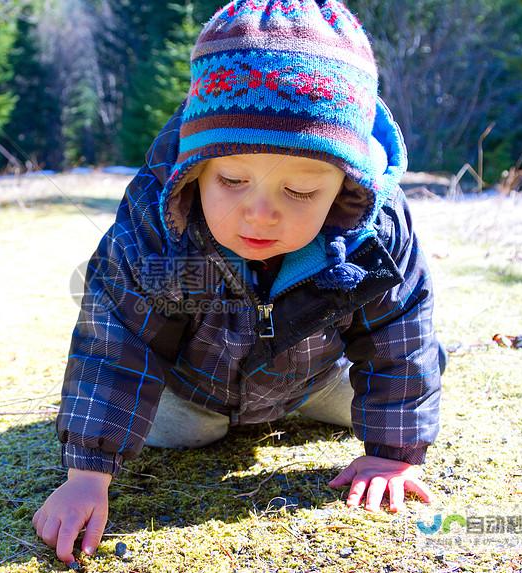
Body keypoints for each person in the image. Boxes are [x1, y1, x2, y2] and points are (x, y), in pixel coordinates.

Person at [33, 0, 446, 565]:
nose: (260, 214)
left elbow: (402, 335)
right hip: (191, 389)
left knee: (381, 401)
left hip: (315, 378)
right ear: (195, 167)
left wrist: (393, 454)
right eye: (231, 179)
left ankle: (344, 414)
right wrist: (88, 471)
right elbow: (115, 340)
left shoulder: (376, 231)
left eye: (300, 192)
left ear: (347, 184)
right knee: (169, 428)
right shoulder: (158, 226)